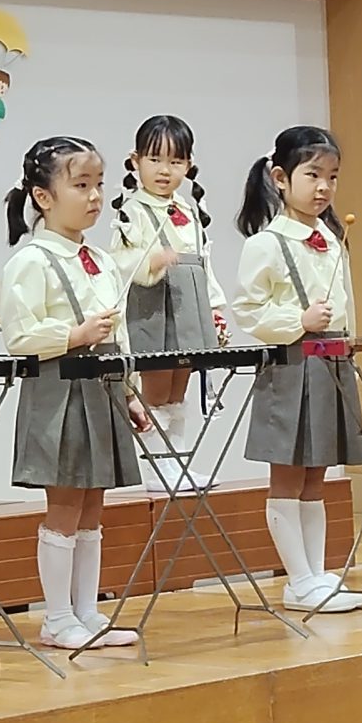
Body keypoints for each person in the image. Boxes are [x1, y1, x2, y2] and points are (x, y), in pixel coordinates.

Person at [4, 137, 150, 649]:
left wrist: (129, 391)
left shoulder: (101, 259)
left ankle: (87, 611)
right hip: (59, 391)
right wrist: (73, 335)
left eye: (98, 185)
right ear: (43, 197)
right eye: (81, 185)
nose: (94, 197)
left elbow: (120, 333)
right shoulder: (33, 260)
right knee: (64, 506)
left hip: (102, 388)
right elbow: (19, 335)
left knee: (93, 506)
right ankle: (57, 617)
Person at [233, 125, 362, 614]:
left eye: (332, 176)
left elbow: (344, 304)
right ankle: (298, 577)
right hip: (291, 367)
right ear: (280, 178)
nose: (323, 187)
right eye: (312, 175)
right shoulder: (266, 243)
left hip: (331, 362)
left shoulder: (331, 238)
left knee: (317, 474)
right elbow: (248, 310)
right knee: (289, 475)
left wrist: (348, 343)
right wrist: (299, 321)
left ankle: (315, 573)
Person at [109, 114, 228, 482]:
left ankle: (176, 460)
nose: (165, 170)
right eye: (155, 159)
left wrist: (213, 307)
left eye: (176, 161)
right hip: (153, 306)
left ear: (188, 165)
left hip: (188, 303)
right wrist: (152, 260)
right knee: (157, 388)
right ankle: (157, 466)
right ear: (135, 161)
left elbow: (204, 262)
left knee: (179, 387)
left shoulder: (189, 210)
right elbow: (119, 261)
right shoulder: (133, 210)